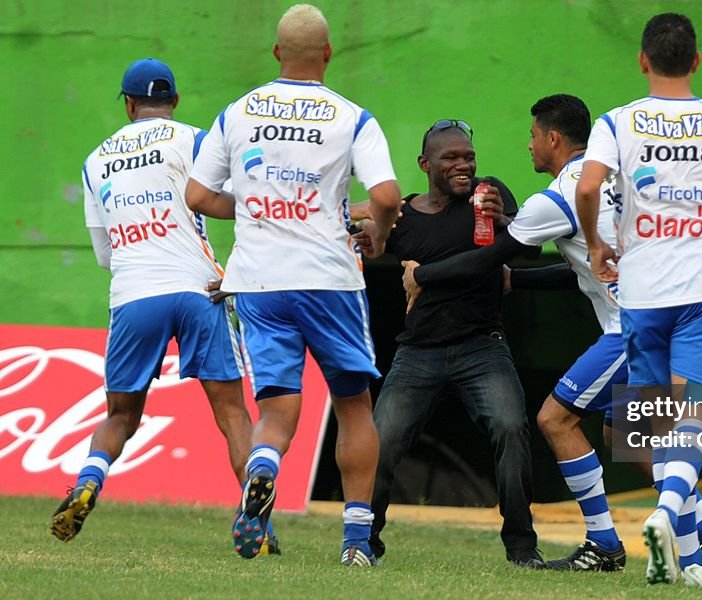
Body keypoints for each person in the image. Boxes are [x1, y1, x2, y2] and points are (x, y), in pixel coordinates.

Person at [406, 94, 702, 575]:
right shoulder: (616, 177)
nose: (528, 146)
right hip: (671, 316)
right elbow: (582, 268)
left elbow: (493, 254)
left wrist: (423, 275)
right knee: (623, 433)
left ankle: (605, 544)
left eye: (531, 136)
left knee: (554, 420)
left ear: (552, 138)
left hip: (631, 327)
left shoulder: (563, 192)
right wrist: (516, 279)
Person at [185, 3, 400, 566]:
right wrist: (373, 231)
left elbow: (199, 197)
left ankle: (262, 470)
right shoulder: (352, 117)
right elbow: (386, 196)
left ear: (276, 53)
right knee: (354, 405)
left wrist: (258, 207)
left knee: (278, 409)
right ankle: (356, 544)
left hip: (257, 280)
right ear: (329, 53)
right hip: (328, 280)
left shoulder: (236, 113)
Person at [577, 13, 702, 587]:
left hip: (641, 288)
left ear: (642, 60)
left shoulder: (616, 121)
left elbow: (587, 186)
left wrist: (596, 242)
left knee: (657, 426)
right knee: (693, 417)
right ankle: (665, 516)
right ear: (697, 61)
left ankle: (688, 563)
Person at [52, 58, 259, 550]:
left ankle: (87, 482)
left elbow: (106, 255)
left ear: (127, 104)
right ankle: (259, 525)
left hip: (133, 295)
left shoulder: (95, 159)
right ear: (175, 101)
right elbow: (236, 202)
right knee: (232, 412)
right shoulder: (194, 137)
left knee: (121, 414)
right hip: (198, 289)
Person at [353, 119, 543, 568]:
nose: (464, 165)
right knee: (379, 444)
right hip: (418, 350)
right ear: (425, 164)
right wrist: (366, 236)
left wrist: (505, 219)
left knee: (511, 430)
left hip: (482, 345)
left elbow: (528, 248)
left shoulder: (490, 195)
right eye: (451, 158)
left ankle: (521, 549)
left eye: (469, 157)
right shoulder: (402, 214)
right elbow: (370, 240)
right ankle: (364, 543)